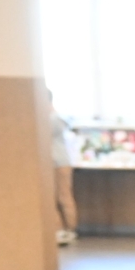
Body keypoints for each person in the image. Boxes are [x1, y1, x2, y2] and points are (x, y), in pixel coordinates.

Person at [51, 103, 78, 246]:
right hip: (58, 162)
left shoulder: (52, 119)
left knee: (61, 197)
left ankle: (66, 229)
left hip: (57, 163)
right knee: (59, 197)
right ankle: (63, 229)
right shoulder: (57, 118)